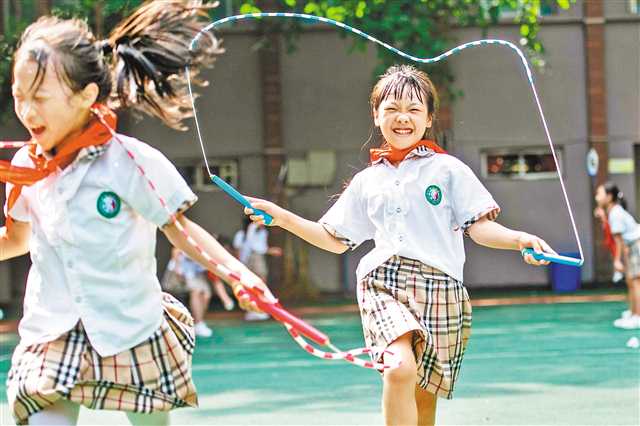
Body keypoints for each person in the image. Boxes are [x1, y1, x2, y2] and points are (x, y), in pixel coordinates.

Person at [0, 2, 274, 425]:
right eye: (20, 97)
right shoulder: (25, 167)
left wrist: (239, 274)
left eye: (40, 97)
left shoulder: (129, 160)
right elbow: (16, 239)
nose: (27, 111)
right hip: (51, 330)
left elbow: (180, 230)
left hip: (130, 326)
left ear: (86, 96)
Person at [243, 64, 554, 426]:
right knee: (399, 368)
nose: (402, 118)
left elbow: (479, 227)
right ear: (376, 116)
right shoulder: (367, 180)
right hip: (383, 283)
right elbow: (335, 239)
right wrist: (282, 217)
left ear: (428, 119)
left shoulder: (449, 169)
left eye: (413, 109)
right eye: (391, 109)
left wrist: (519, 240)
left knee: (423, 399)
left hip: (442, 288)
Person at [595, 182, 640, 329]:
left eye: (599, 194)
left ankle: (637, 317)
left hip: (636, 245)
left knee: (635, 282)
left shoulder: (615, 213)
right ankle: (633, 313)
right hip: (632, 245)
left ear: (609, 197)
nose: (596, 197)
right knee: (631, 280)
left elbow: (618, 241)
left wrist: (617, 261)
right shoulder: (613, 212)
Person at [233, 217, 283, 321]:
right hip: (246, 260)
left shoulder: (262, 233)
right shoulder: (241, 234)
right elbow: (240, 250)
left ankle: (261, 308)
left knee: (261, 282)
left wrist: (270, 250)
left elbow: (261, 248)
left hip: (257, 258)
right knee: (248, 285)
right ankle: (251, 310)